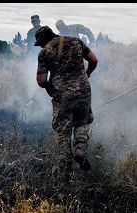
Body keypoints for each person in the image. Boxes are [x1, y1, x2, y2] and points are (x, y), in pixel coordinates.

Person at [34, 26, 98, 179]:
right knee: (82, 122)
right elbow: (94, 60)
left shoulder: (44, 52)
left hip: (62, 96)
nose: (41, 46)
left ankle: (64, 170)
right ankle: (80, 150)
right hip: (83, 92)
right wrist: (86, 74)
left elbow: (41, 80)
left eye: (40, 43)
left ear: (43, 38)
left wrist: (50, 88)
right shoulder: (76, 42)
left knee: (63, 131)